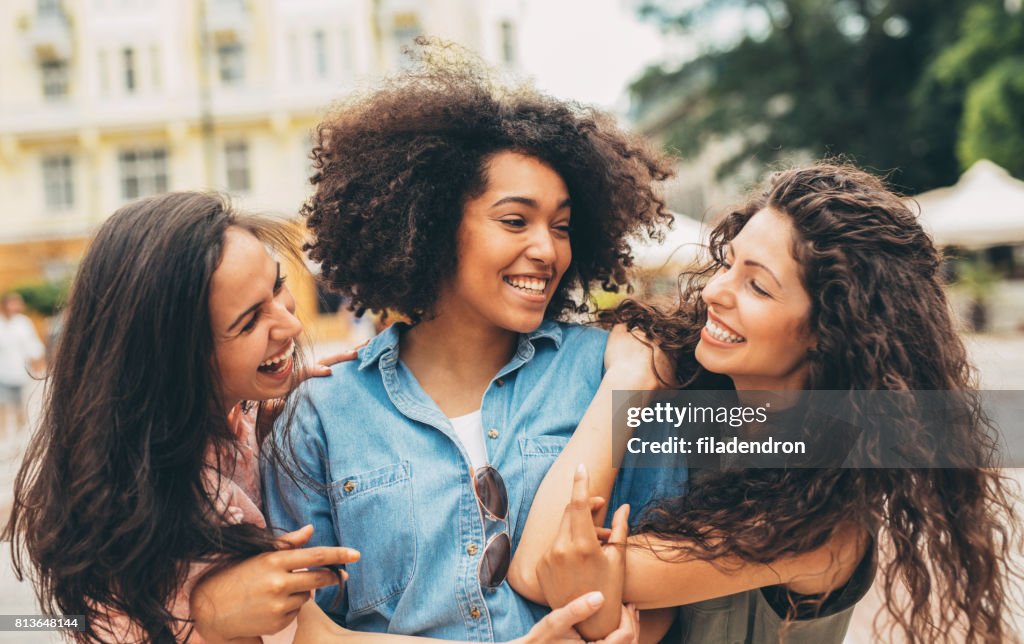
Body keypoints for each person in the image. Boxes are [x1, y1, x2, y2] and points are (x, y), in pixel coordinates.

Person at [4, 191, 638, 644]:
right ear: (174, 360)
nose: (289, 324)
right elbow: (40, 624)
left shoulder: (262, 420)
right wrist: (198, 617)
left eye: (279, 288)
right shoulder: (139, 492)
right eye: (248, 322)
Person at [261, 41, 674, 641]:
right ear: (429, 222)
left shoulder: (617, 371)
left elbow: (659, 598)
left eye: (561, 227)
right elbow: (310, 629)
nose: (547, 249)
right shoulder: (323, 413)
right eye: (515, 220)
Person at [509, 163, 1019, 643]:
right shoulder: (726, 412)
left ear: (830, 331)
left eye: (757, 285)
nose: (713, 291)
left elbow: (542, 567)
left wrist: (629, 377)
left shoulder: (821, 523)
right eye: (728, 263)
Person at [0, 291, 46, 436]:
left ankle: (20, 436)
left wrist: (39, 363)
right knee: (2, 406)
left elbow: (33, 345)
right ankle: (3, 437)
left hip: (20, 372)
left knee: (21, 406)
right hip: (2, 373)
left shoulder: (23, 322)